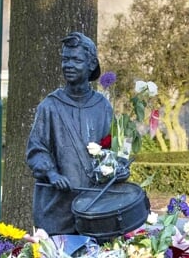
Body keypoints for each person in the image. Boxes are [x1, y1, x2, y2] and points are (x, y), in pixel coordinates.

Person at [26, 31, 126, 235]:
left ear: (91, 65)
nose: (68, 65)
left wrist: (118, 168)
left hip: (95, 209)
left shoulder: (103, 106)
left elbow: (112, 150)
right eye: (65, 59)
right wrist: (52, 173)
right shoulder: (50, 106)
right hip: (57, 210)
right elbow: (36, 149)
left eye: (76, 60)